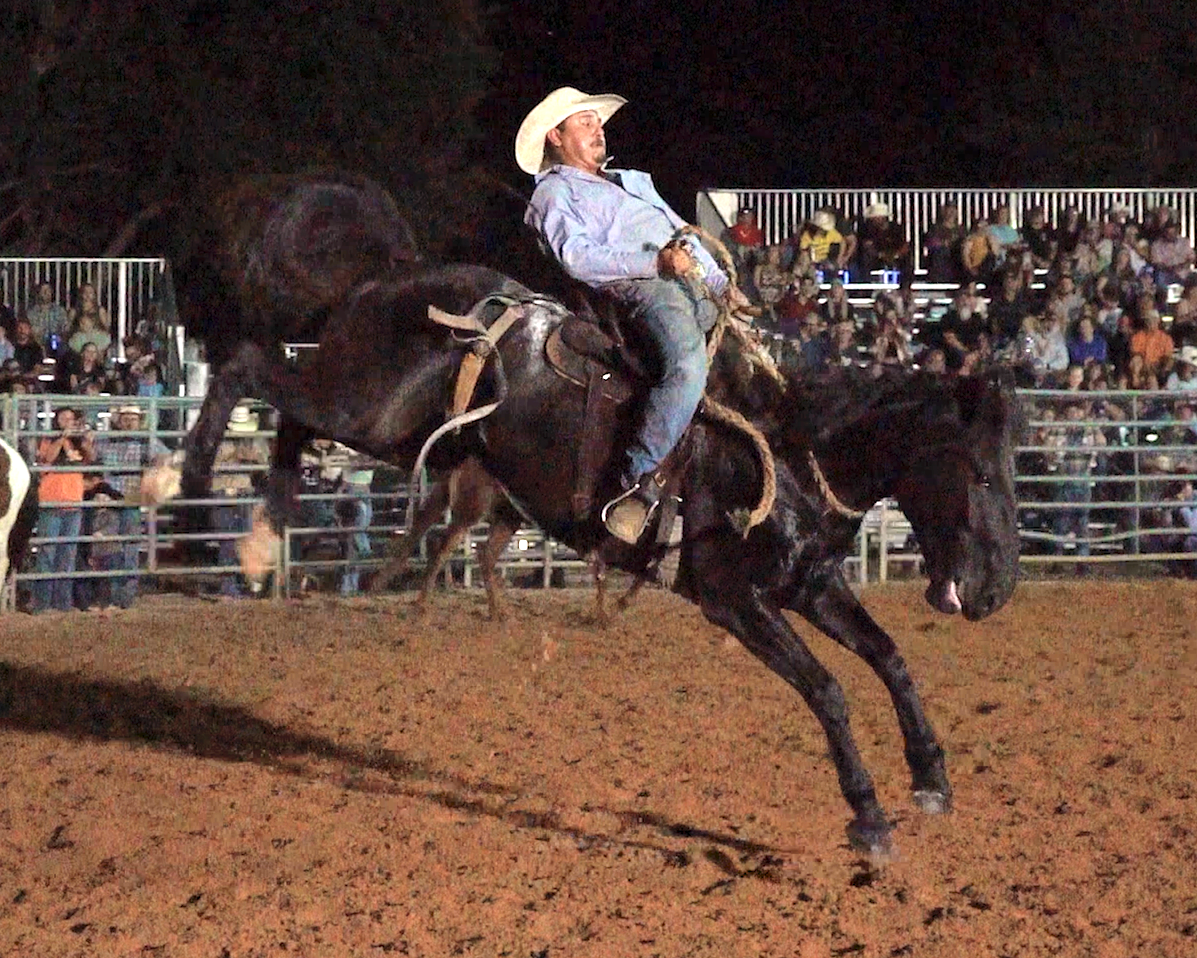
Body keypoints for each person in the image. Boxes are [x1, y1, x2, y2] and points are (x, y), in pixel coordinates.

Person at [518, 86, 743, 543]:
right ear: (556, 137)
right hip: (644, 288)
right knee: (687, 366)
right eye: (584, 122)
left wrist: (722, 285)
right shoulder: (555, 192)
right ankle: (635, 483)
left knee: (748, 368)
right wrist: (654, 263)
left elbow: (682, 232)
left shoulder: (631, 181)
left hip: (688, 282)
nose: (598, 129)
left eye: (597, 122)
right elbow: (576, 256)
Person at [94, 403, 170, 608]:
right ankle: (113, 595)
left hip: (129, 498)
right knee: (110, 547)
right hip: (110, 499)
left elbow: (165, 457)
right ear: (119, 421)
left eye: (133, 419)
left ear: (139, 422)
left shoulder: (145, 441)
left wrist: (154, 471)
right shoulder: (107, 440)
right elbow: (92, 457)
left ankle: (124, 597)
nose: (129, 423)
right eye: (125, 418)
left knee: (128, 547)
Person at [32, 406, 94, 612]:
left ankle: (62, 604)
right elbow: (47, 458)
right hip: (51, 501)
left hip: (74, 502)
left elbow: (91, 460)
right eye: (63, 418)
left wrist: (87, 442)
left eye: (70, 418)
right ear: (56, 421)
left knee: (67, 555)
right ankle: (42, 604)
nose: (67, 421)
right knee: (47, 554)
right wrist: (62, 438)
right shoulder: (48, 439)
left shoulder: (78, 442)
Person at [211, 405, 269, 597]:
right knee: (228, 540)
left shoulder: (254, 442)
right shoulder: (220, 441)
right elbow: (211, 464)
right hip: (224, 490)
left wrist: (254, 459)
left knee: (244, 539)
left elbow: (265, 464)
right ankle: (229, 586)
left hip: (244, 491)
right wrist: (235, 458)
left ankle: (240, 583)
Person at [66, 283, 112, 359]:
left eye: (90, 292)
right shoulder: (74, 311)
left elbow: (107, 329)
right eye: (85, 292)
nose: (87, 295)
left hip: (97, 343)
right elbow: (68, 329)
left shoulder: (100, 311)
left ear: (94, 295)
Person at [26, 282, 69, 354]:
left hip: (57, 346)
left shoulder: (60, 311)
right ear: (38, 293)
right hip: (37, 347)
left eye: (48, 290)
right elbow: (31, 332)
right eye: (43, 290)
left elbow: (65, 330)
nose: (46, 293)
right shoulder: (31, 313)